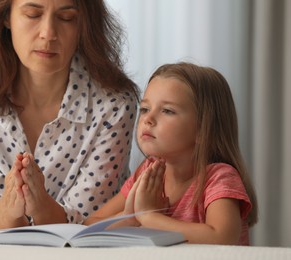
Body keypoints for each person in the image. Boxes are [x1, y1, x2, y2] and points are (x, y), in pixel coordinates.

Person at [0, 0, 139, 230]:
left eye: (67, 18)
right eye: (32, 14)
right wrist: (10, 211)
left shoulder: (114, 104)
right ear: (7, 17)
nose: (48, 34)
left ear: (84, 26)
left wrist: (39, 206)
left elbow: (89, 224)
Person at [84, 62, 258, 245]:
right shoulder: (147, 172)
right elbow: (90, 226)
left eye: (167, 111)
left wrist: (149, 217)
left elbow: (222, 237)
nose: (148, 119)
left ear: (203, 129)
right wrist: (130, 217)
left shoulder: (219, 178)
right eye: (145, 109)